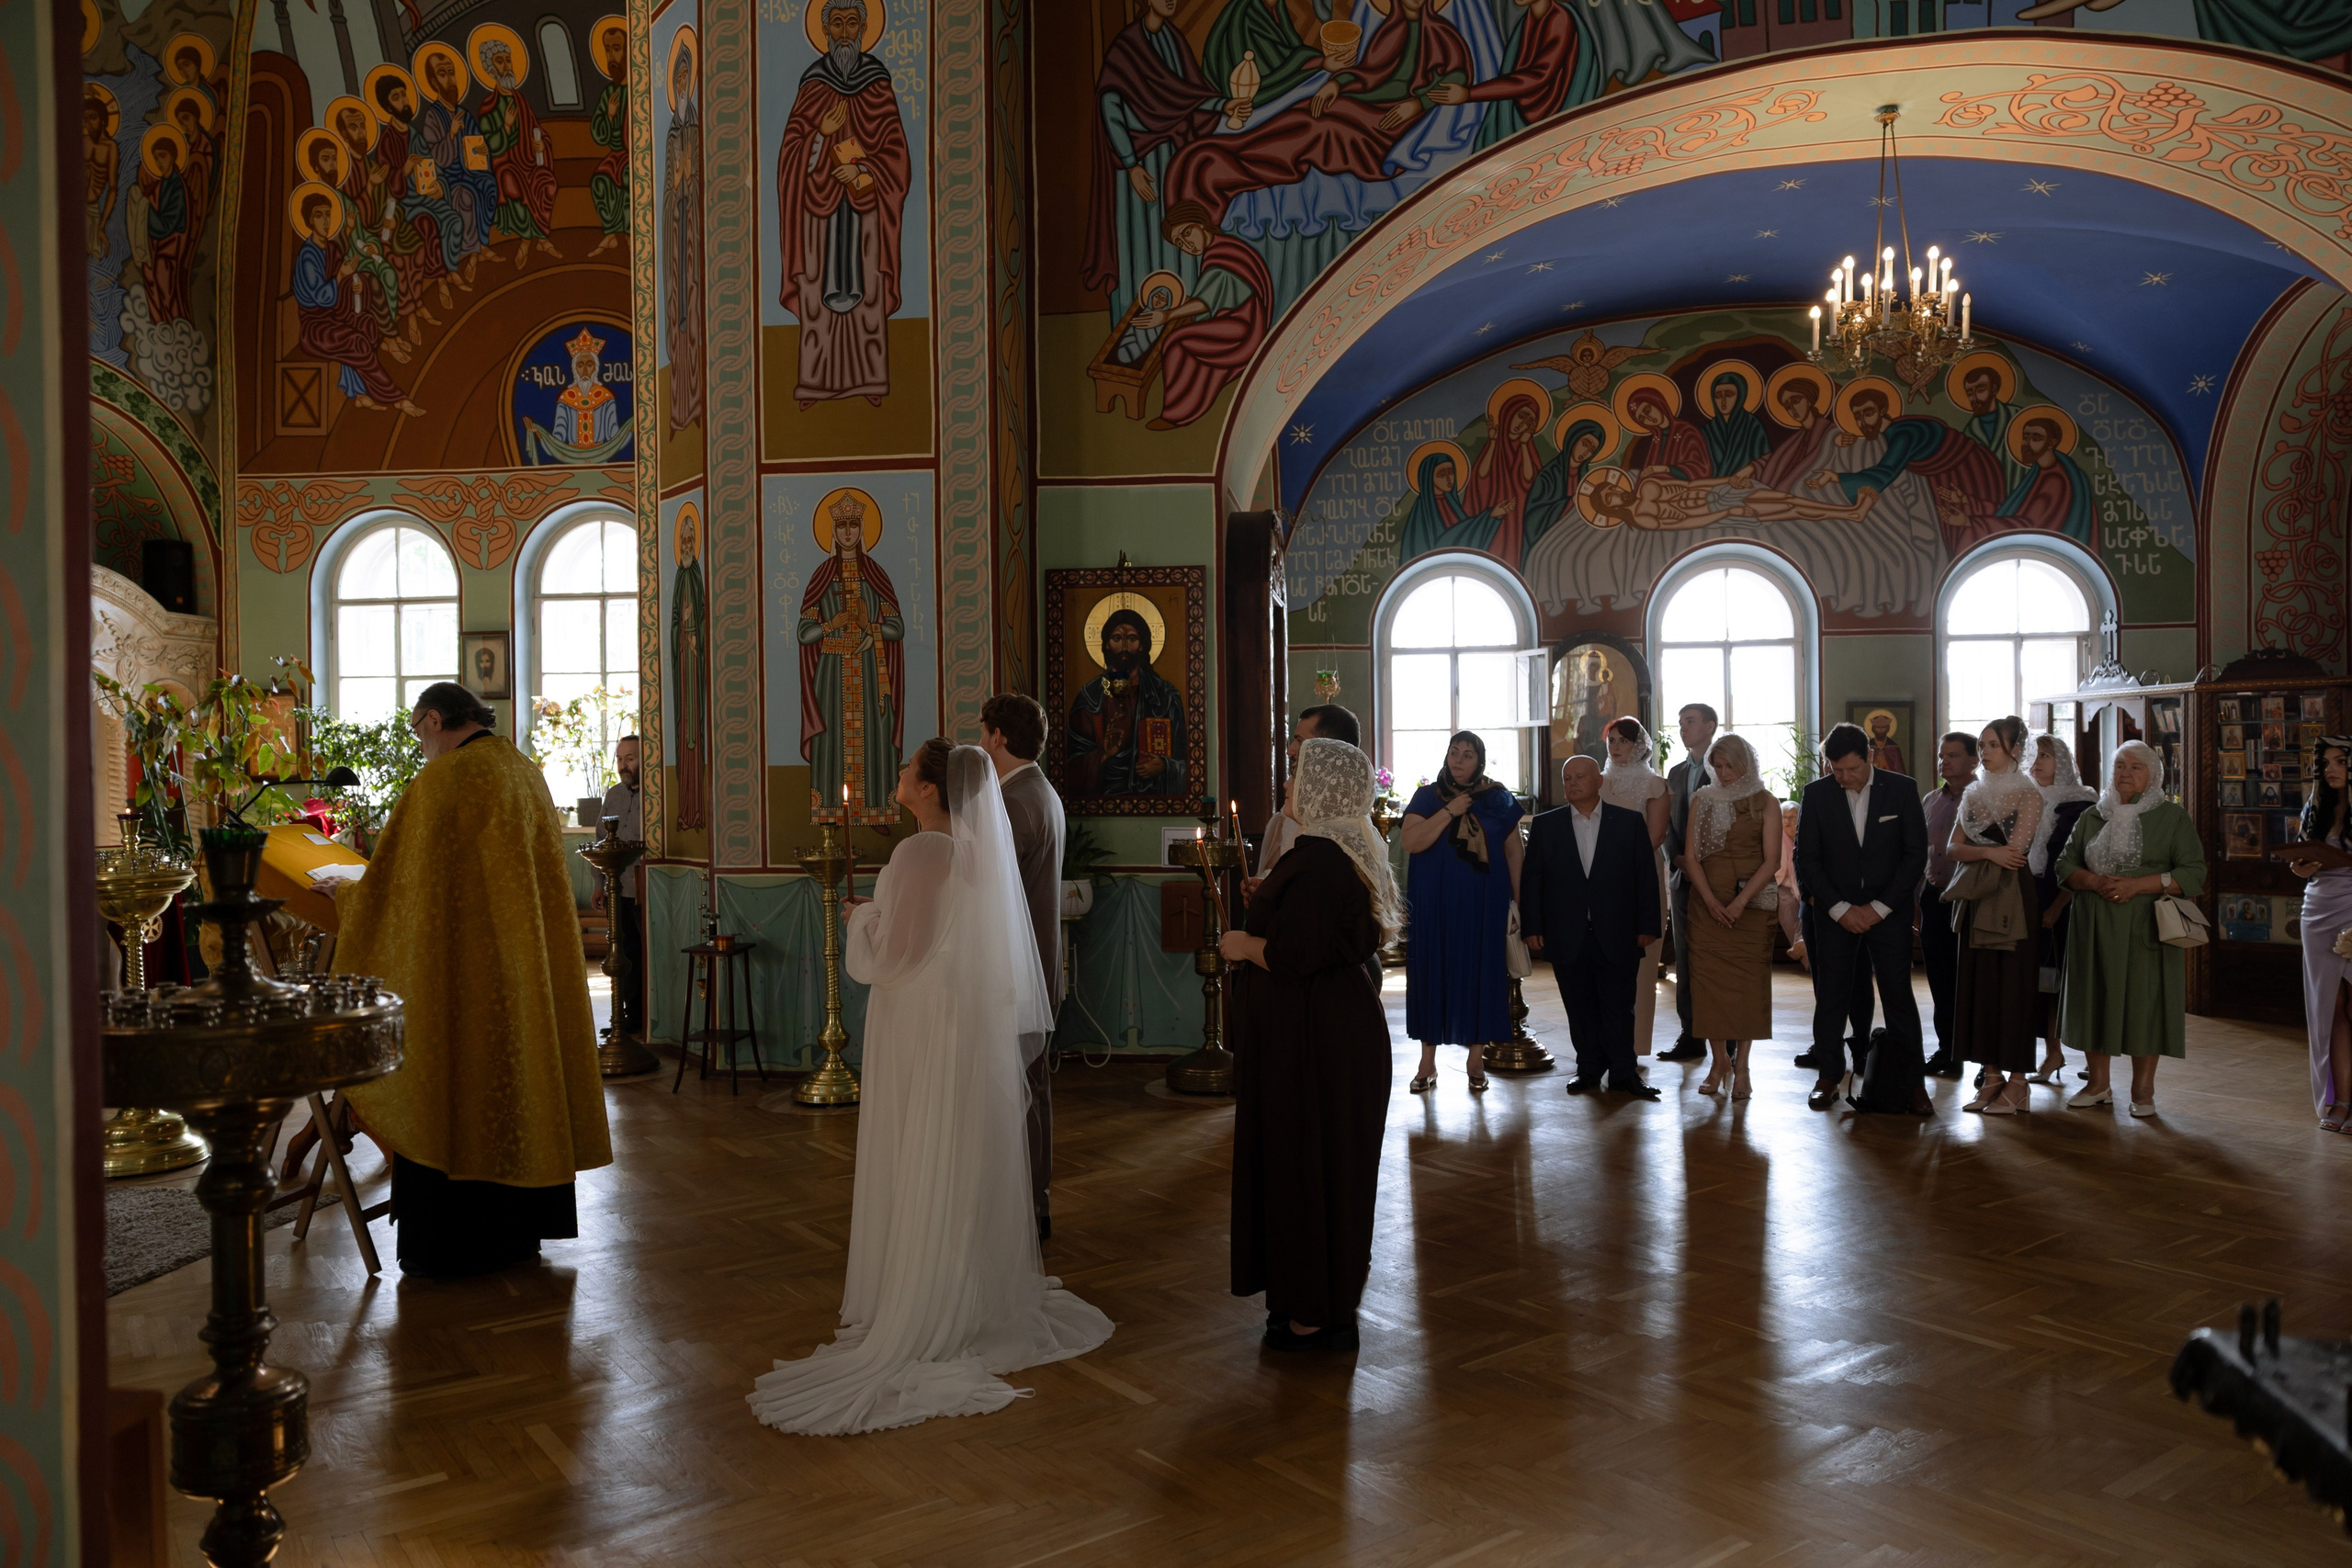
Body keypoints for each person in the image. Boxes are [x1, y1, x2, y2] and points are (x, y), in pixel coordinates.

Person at [748, 741, 1112, 1432]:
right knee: (954, 1144)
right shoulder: (973, 854)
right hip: (958, 1018)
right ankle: (965, 1284)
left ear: (930, 789)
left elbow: (895, 956)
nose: (899, 777)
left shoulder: (922, 853)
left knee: (919, 1139)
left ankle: (922, 1295)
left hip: (919, 1018)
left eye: (909, 769)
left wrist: (860, 918)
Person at [324, 683, 611, 1276]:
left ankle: (452, 1245)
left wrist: (347, 892)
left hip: (460, 984)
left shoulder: (444, 782)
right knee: (518, 1079)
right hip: (521, 976)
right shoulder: (522, 771)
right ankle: (517, 1232)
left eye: (417, 732)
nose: (420, 746)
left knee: (454, 1082)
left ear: (433, 720)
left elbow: (399, 895)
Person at [1219, 739, 1397, 1352]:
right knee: (1309, 1161)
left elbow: (1295, 955)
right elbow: (1316, 932)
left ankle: (1318, 1314)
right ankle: (1305, 1298)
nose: (1289, 785)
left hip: (1319, 1039)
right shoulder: (1329, 850)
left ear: (1324, 788)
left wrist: (1243, 944)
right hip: (1320, 1030)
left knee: (1312, 1163)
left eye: (1298, 775)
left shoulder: (1320, 857)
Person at [2056, 740, 2206, 1117]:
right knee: (2094, 997)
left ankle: (2142, 1089)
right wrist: (2092, 882)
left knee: (2144, 1002)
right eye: (2120, 765)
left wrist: (2135, 885)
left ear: (2153, 776)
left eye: (2135, 767)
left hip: (2146, 924)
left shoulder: (2172, 818)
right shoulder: (2093, 815)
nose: (2125, 773)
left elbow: (2193, 872)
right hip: (2092, 923)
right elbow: (2064, 865)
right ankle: (2098, 1083)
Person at [1794, 722, 1928, 1112]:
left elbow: (1914, 856)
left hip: (1888, 911)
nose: (1844, 777)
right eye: (1835, 769)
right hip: (1835, 914)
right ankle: (1829, 1075)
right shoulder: (1816, 794)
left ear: (1869, 756)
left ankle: (1913, 1082)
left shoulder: (1901, 789)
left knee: (1898, 996)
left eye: (1851, 769)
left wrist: (1878, 909)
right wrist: (1839, 909)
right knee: (1831, 996)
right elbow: (1807, 859)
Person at [1523, 754, 1662, 1098]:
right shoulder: (1546, 825)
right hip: (1565, 932)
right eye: (1567, 777)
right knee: (1578, 1004)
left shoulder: (1629, 823)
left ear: (1599, 781)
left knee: (1619, 1006)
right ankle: (1587, 1069)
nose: (1572, 783)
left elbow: (1645, 879)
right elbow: (1533, 881)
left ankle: (1623, 1073)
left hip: (1619, 931)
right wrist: (1532, 927)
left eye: (1580, 777)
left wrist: (1648, 925)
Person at [979, 694, 1064, 1239]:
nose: (982, 743)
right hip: (1036, 965)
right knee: (1030, 1086)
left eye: (984, 733)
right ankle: (1033, 1202)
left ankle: (1025, 1209)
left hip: (1017, 968)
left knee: (1018, 1091)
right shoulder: (1040, 791)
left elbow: (987, 890)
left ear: (999, 738)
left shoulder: (1014, 802)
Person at [1399, 732, 1523, 1092]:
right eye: (1454, 752)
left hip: (1484, 904)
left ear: (1479, 761)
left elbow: (1514, 853)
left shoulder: (1498, 798)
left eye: (1467, 755)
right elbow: (1412, 841)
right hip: (1432, 903)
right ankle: (1427, 1062)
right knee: (1432, 972)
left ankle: (1475, 1059)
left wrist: (1520, 901)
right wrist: (1449, 812)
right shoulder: (1427, 796)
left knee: (1481, 973)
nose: (1458, 760)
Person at [1944, 717, 2046, 1116]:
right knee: (1979, 983)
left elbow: (2016, 853)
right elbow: (1953, 848)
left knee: (2014, 985)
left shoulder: (2028, 795)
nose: (1984, 752)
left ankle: (2019, 1082)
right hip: (1975, 892)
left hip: (2011, 895)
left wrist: (1984, 851)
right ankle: (1990, 1077)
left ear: (2016, 750)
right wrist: (1986, 852)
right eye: (1983, 745)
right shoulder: (1972, 794)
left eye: (1993, 746)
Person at [1681, 734, 1781, 1101]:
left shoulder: (1765, 801)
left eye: (1730, 766)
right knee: (1708, 986)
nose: (1723, 774)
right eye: (1717, 766)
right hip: (1707, 903)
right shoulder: (1702, 799)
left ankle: (1743, 1067)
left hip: (1750, 906)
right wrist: (1709, 901)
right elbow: (1690, 856)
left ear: (1746, 764)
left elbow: (1773, 860)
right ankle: (1719, 1060)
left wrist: (1739, 903)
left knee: (1747, 988)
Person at [2025, 731, 2098, 1085]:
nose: (2037, 764)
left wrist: (2057, 905)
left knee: (2074, 984)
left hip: (2070, 905)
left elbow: (2084, 864)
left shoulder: (2081, 806)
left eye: (2045, 756)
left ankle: (2092, 1057)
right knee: (2043, 983)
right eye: (2034, 756)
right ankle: (2052, 1055)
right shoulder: (2025, 800)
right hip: (2033, 903)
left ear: (2063, 763)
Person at [2290, 734, 2352, 1130]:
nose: (2330, 769)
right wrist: (2298, 868)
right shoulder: (2315, 806)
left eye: (2339, 761)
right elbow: (2301, 856)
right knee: (2330, 1011)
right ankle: (2341, 1101)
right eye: (2325, 763)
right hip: (2317, 911)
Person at [1598, 717, 1669, 1055]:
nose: (1615, 746)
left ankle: (1635, 1046)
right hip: (1601, 878)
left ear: (1638, 745)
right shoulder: (1599, 782)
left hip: (1640, 875)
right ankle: (1604, 1043)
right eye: (1611, 739)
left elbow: (1655, 837)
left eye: (1623, 740)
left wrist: (1620, 863)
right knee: (1602, 962)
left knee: (1641, 968)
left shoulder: (1654, 784)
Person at [1250, 704, 1361, 895]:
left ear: (1325, 749)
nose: (1290, 750)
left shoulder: (1329, 849)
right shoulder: (1288, 816)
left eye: (1299, 741)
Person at [1918, 731, 1978, 1077]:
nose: (1945, 762)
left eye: (1953, 755)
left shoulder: (1984, 798)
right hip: (1934, 896)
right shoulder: (1931, 800)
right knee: (1940, 979)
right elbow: (1920, 852)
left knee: (1974, 979)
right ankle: (1947, 1051)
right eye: (1942, 756)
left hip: (1969, 900)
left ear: (1974, 760)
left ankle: (1986, 1058)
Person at [1661, 703, 1716, 1064]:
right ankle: (1691, 1034)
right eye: (1681, 723)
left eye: (1691, 722)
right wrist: (1678, 859)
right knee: (1685, 956)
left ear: (1711, 726)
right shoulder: (1677, 772)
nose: (1683, 729)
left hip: (1717, 878)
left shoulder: (1726, 767)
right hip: (1683, 877)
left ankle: (1722, 1035)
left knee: (1716, 958)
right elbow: (1667, 824)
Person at [593, 733, 645, 1040]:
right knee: (621, 953)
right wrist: (598, 884)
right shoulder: (613, 795)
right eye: (620, 759)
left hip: (645, 890)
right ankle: (626, 1014)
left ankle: (643, 1015)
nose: (624, 765)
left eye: (631, 758)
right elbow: (601, 839)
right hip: (617, 888)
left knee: (642, 954)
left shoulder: (658, 795)